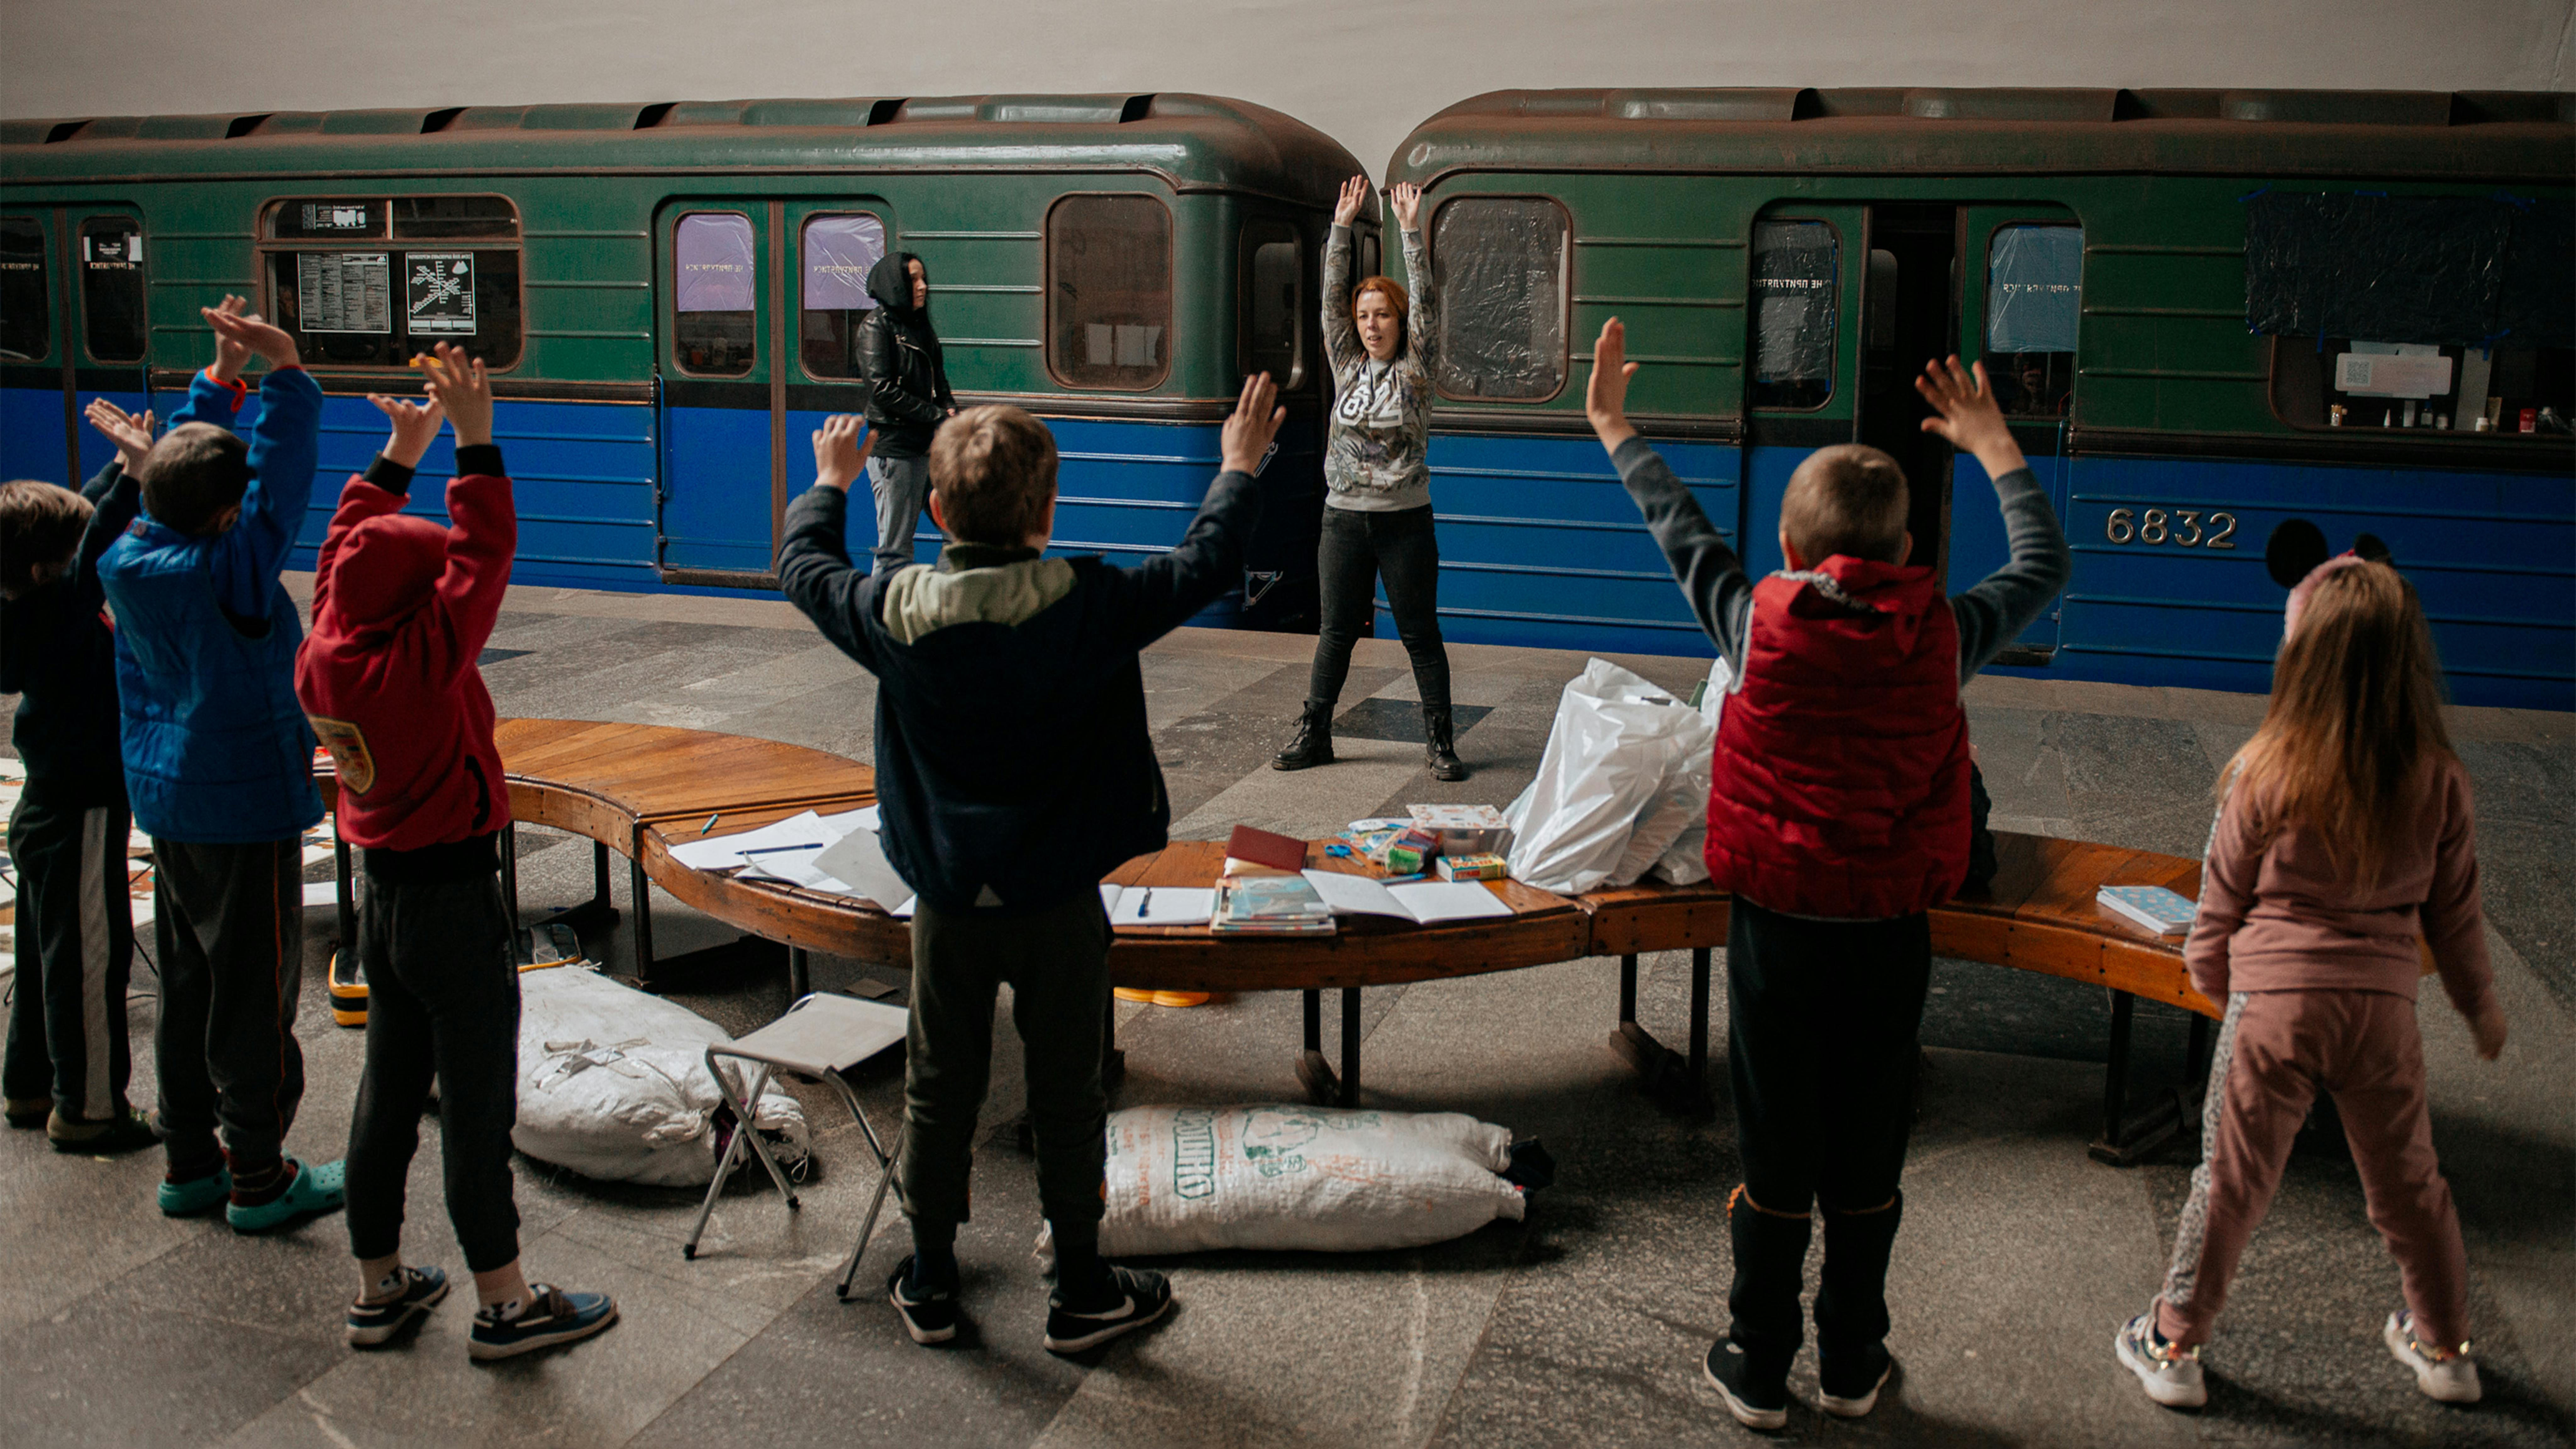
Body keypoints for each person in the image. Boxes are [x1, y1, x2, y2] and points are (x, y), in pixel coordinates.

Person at [1584, 318, 2069, 1429]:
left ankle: (1758, 1360)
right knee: (1869, 1137)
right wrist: (1996, 446)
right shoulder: (1941, 636)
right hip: (1891, 928)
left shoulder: (1757, 626)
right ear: (1902, 554)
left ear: (1792, 552)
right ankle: (1853, 1360)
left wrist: (1616, 425)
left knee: (1776, 1139)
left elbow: (1682, 530)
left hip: (1777, 928)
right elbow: (2046, 564)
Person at [778, 375, 1286, 1353]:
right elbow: (1209, 559)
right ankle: (1084, 1289)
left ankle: (929, 1279)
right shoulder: (1091, 604)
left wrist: (831, 483)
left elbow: (803, 566)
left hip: (947, 900)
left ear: (934, 511)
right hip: (1058, 898)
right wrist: (1236, 465)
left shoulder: (891, 610)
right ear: (1048, 514)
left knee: (939, 1086)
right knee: (1068, 1092)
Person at [2117, 556, 2505, 1410]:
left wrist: (2215, 982)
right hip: (2383, 1015)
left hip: (2273, 1009)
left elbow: (2219, 906)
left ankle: (2173, 1342)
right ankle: (2446, 1347)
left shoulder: (2264, 770)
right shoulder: (2441, 780)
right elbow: (2457, 916)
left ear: (2298, 661)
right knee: (2410, 1183)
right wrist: (2479, 1007)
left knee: (2231, 1182)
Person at [296, 344, 619, 1360]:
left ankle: (379, 1283)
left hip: (381, 911)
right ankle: (506, 1301)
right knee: (476, 1109)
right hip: (451, 908)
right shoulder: (422, 663)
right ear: (417, 607)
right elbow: (484, 558)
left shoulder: (331, 644)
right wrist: (474, 442)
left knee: (386, 1096)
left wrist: (399, 453)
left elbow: (350, 540)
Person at [96, 295, 346, 1233]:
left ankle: (192, 1167)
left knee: (191, 983)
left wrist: (219, 383)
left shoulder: (129, 554)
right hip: (243, 808)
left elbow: (192, 479)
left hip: (169, 800)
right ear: (230, 512)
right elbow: (280, 482)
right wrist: (284, 372)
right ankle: (259, 1177)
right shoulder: (228, 568)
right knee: (253, 998)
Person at [0, 407, 158, 1153]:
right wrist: (130, 475)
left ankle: (30, 1085)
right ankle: (92, 1107)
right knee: (93, 962)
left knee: (45, 955)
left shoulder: (30, 603)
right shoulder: (58, 614)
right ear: (44, 571)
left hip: (45, 809)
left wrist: (121, 469)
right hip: (83, 812)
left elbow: (81, 528)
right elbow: (94, 541)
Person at [1273, 175, 1465, 781]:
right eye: (1364, 316)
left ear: (1399, 320)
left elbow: (1428, 304)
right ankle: (1316, 732)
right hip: (1343, 518)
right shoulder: (1347, 361)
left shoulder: (1416, 367)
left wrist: (1409, 230)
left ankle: (1439, 743)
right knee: (1335, 633)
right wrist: (1340, 227)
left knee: (1419, 633)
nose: (1371, 324)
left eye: (1382, 314)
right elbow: (1329, 300)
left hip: (1405, 520)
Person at [857, 250, 957, 577]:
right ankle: (882, 619)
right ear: (894, 284)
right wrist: (935, 415)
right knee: (896, 546)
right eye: (913, 279)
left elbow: (937, 375)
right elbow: (882, 390)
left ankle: (944, 602)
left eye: (923, 278)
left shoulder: (919, 326)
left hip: (927, 447)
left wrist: (948, 405)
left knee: (959, 531)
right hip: (895, 449)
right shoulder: (876, 327)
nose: (923, 286)